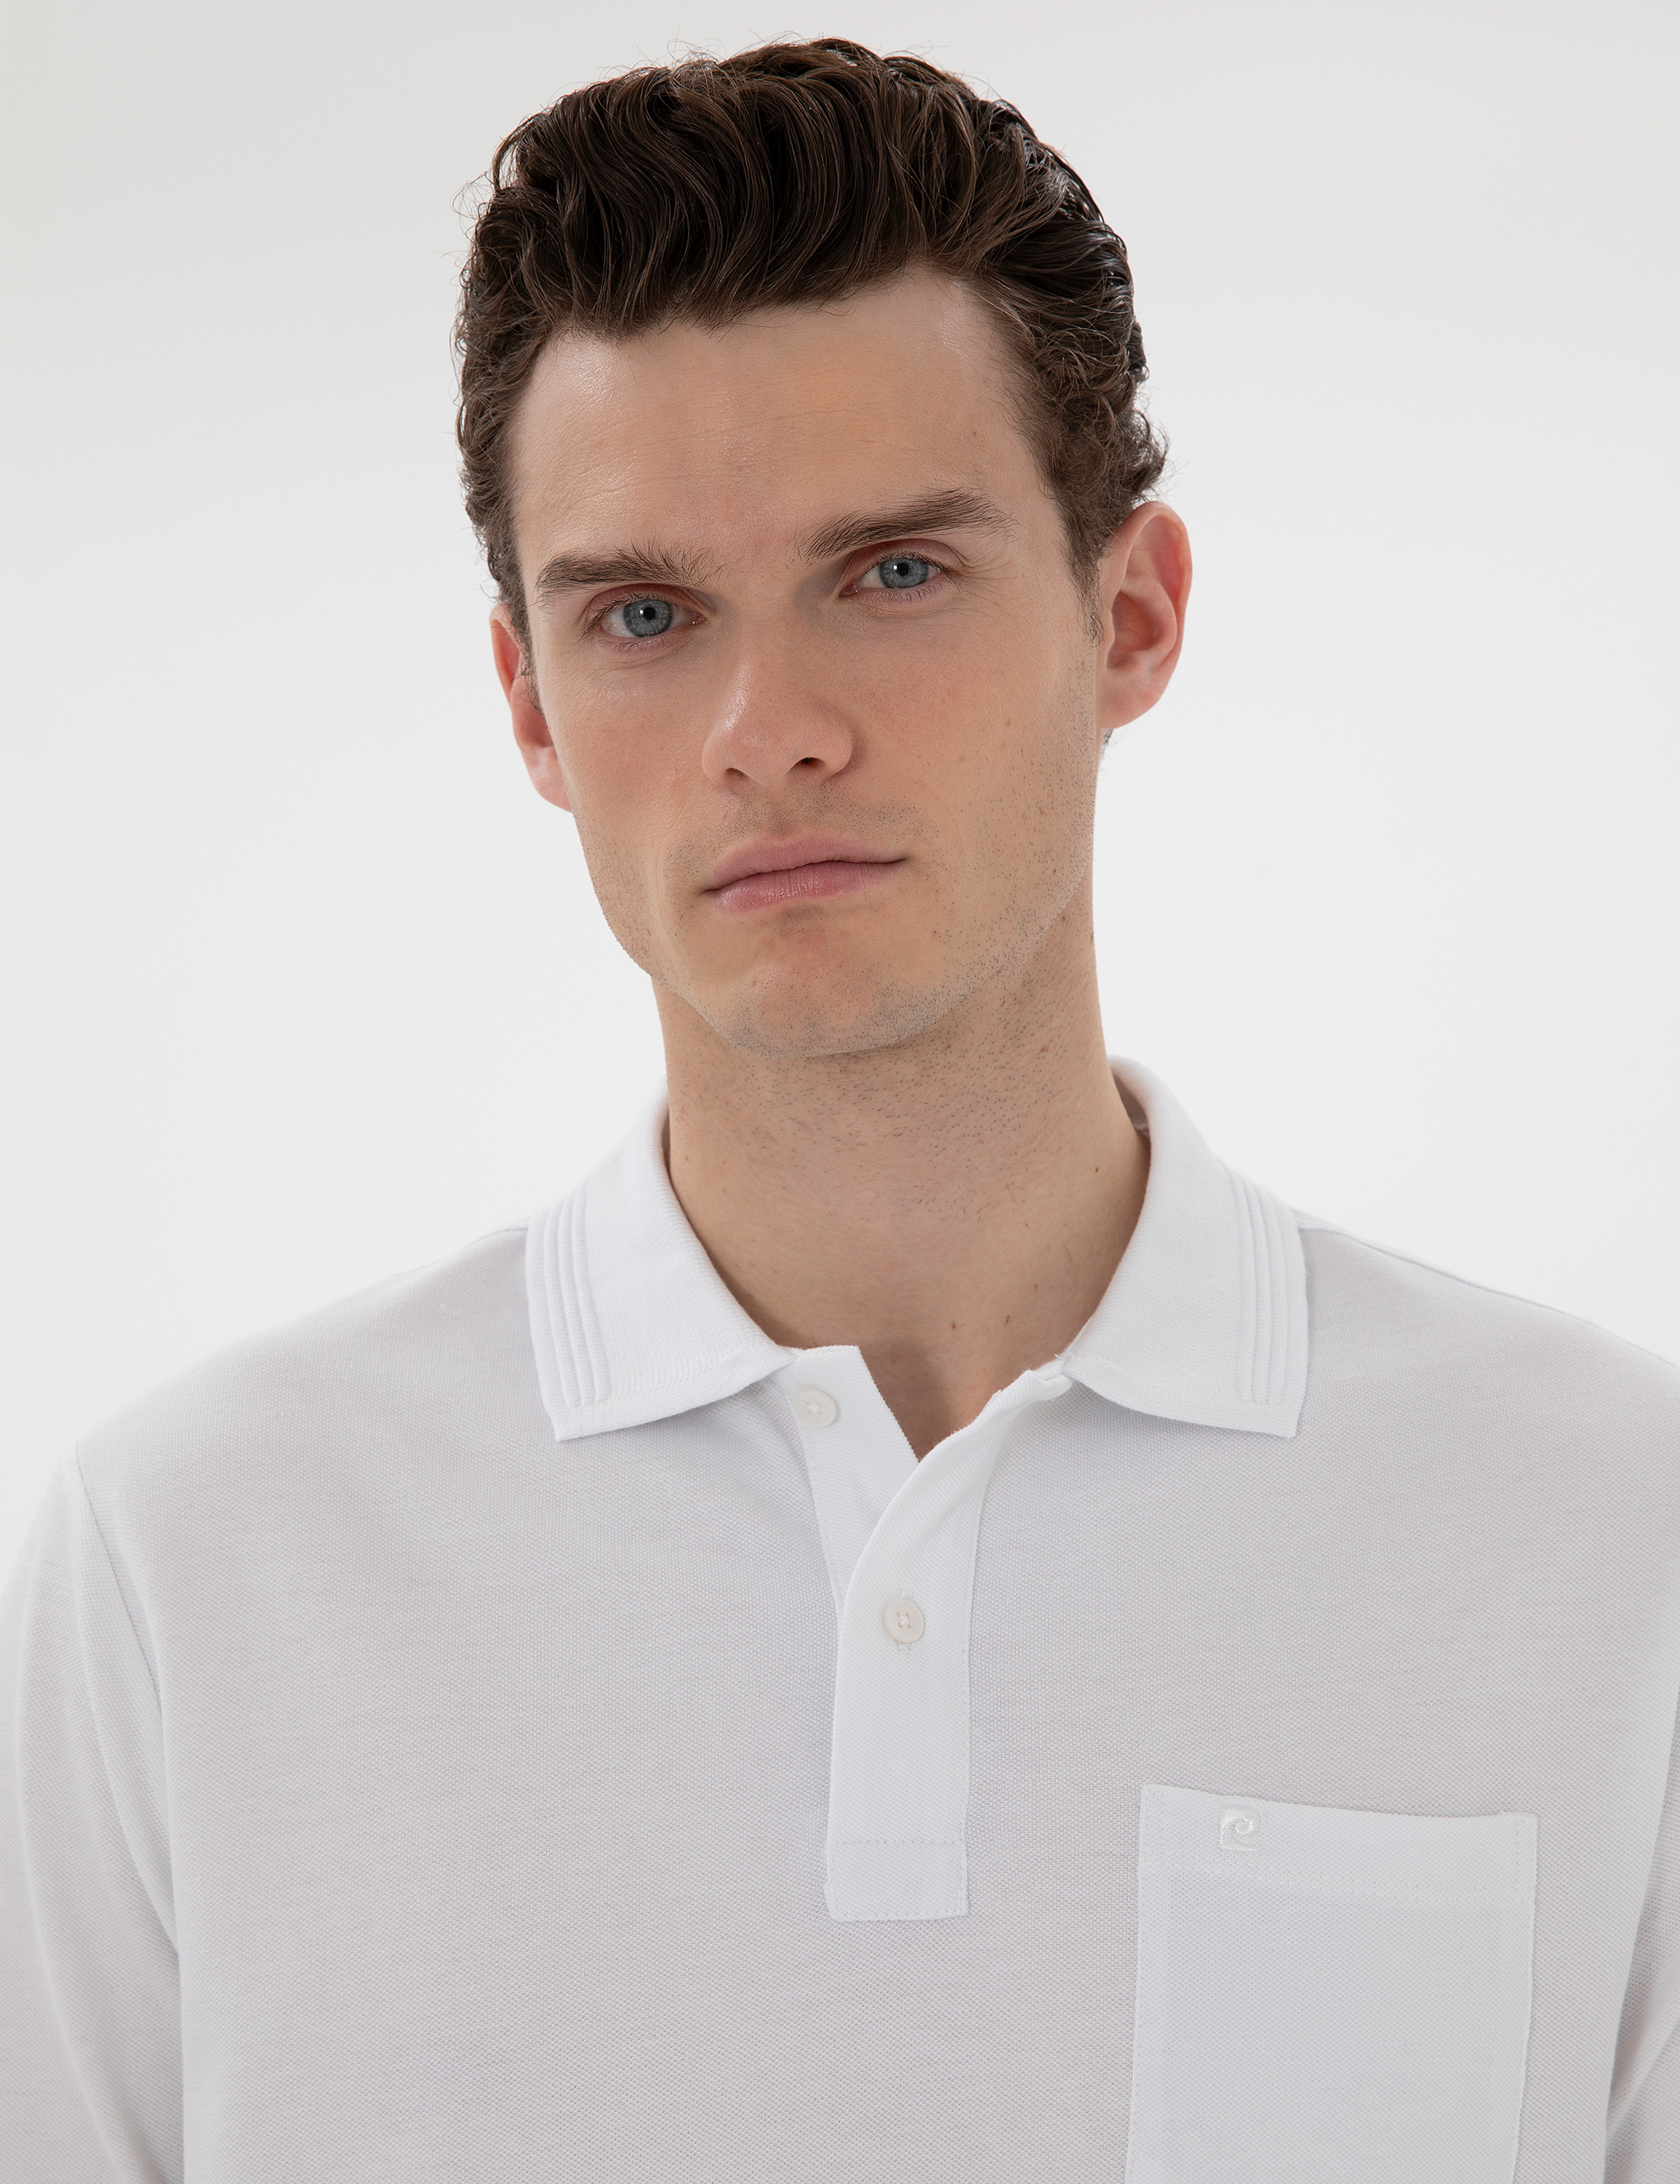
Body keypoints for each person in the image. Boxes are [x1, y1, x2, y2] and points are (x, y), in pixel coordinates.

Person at [2, 36, 1676, 2182]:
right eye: (643, 613)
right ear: (529, 704)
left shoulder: (1604, 1537)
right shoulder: (198, 1564)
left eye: (890, 573)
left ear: (1131, 613)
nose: (765, 727)